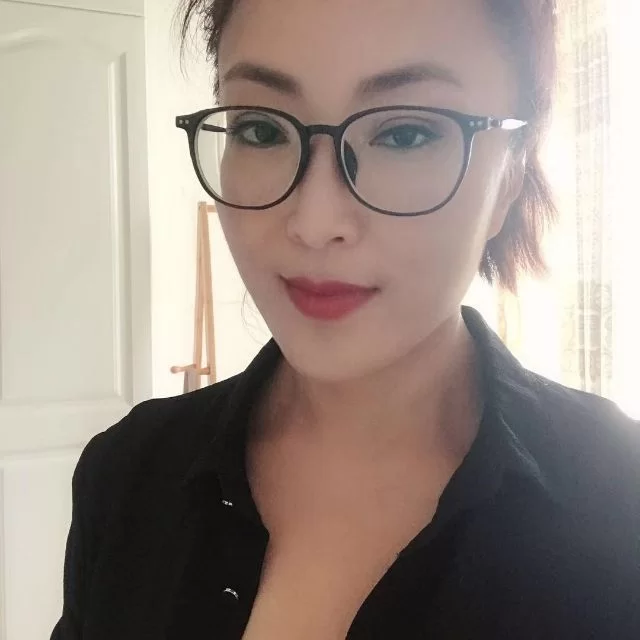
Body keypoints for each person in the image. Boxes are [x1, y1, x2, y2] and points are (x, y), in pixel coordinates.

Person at [51, 0, 640, 638]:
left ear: (512, 175)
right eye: (262, 129)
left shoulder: (619, 503)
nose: (315, 222)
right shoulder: (128, 472)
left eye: (405, 134)